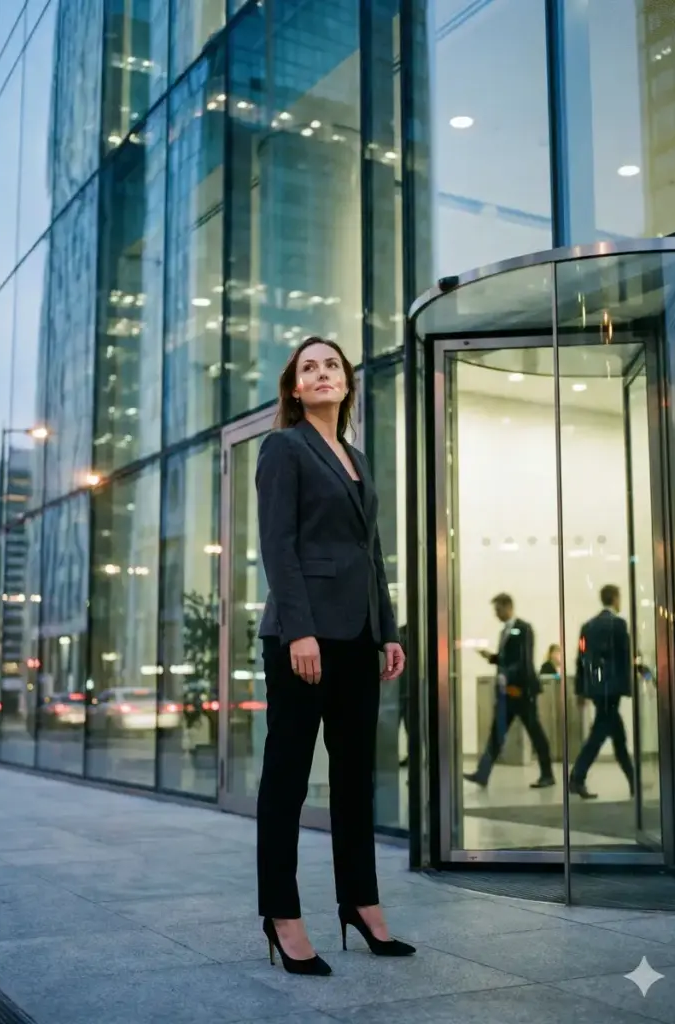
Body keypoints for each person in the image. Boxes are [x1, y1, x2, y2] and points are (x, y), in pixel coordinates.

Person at [255, 336, 416, 976]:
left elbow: (371, 553)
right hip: (302, 637)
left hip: (356, 639)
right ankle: (283, 915)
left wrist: (389, 630)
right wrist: (299, 632)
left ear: (346, 383)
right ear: (295, 388)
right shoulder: (284, 448)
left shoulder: (355, 456)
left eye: (332, 366)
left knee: (354, 780)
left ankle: (361, 904)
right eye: (309, 367)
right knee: (288, 781)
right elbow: (278, 544)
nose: (322, 374)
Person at [464, 593, 554, 789]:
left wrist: (509, 677)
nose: (496, 614)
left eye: (498, 609)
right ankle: (482, 773)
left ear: (507, 607)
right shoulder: (504, 632)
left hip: (522, 691)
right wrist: (491, 657)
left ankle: (547, 774)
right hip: (508, 693)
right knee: (497, 733)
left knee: (535, 733)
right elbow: (507, 660)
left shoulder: (524, 629)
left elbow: (523, 661)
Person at [570, 584, 635, 800]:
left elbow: (580, 659)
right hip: (613, 688)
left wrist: (581, 689)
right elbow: (624, 657)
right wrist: (628, 687)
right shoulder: (619, 624)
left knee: (616, 734)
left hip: (596, 689)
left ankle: (633, 782)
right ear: (615, 599)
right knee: (600, 735)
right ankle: (577, 777)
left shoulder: (587, 627)